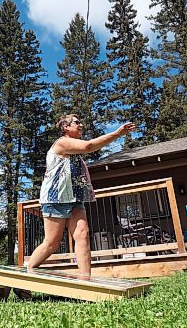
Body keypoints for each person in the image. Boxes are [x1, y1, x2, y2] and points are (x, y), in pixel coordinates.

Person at [27, 114, 136, 277]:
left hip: (75, 199)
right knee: (52, 243)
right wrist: (117, 134)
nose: (81, 125)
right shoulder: (61, 143)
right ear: (65, 127)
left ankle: (86, 280)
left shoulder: (75, 153)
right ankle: (27, 273)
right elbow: (88, 146)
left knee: (83, 234)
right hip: (55, 198)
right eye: (76, 123)